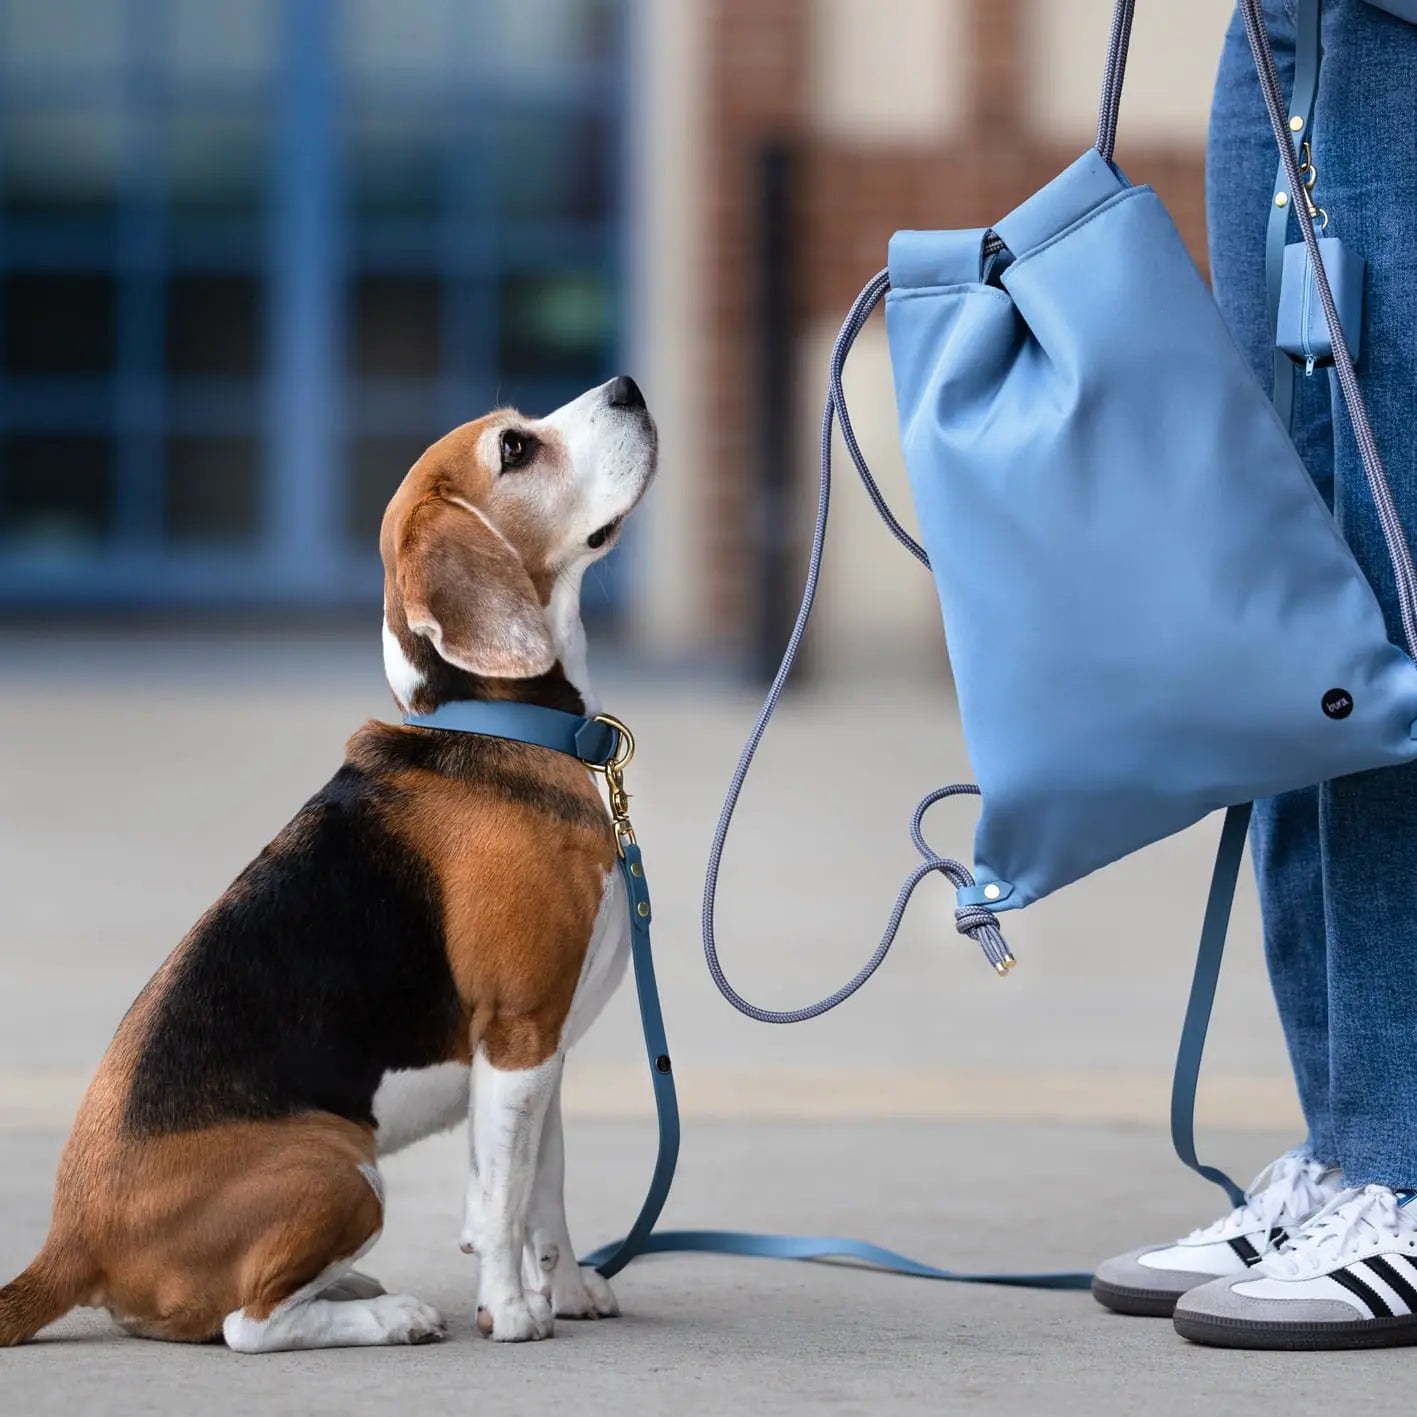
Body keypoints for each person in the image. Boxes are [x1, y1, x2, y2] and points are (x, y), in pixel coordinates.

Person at [1095, 0, 1417, 1350]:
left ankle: (1406, 1161)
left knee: (1388, 613)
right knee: (1289, 617)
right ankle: (1351, 1150)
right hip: (1279, 22)